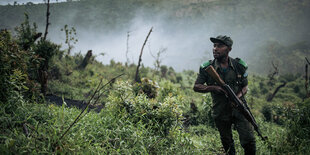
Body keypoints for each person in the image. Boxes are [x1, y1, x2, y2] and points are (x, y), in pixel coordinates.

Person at [193, 35, 256, 155]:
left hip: (239, 108)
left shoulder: (239, 66)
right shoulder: (207, 67)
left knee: (249, 141)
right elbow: (196, 86)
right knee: (227, 143)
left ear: (229, 49)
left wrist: (236, 98)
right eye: (214, 46)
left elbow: (245, 86)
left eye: (220, 46)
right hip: (220, 111)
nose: (215, 49)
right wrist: (213, 88)